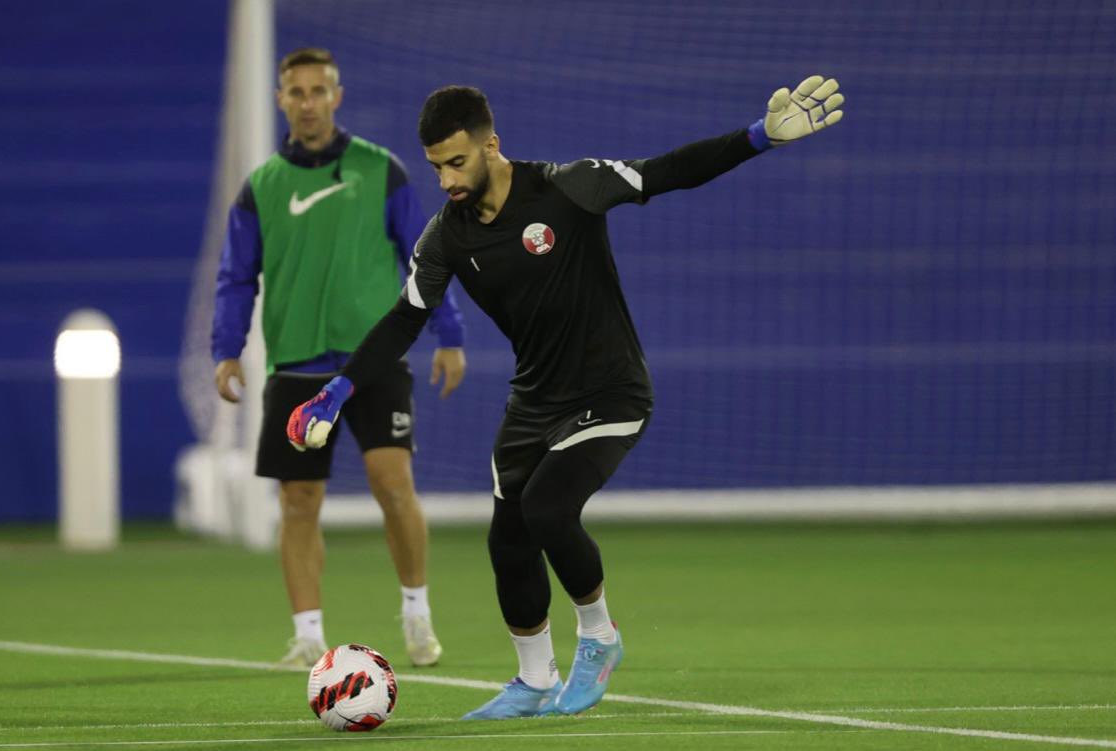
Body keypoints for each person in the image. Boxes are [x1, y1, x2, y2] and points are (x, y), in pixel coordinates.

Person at [288, 76, 843, 715]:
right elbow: (404, 319)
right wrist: (340, 387)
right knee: (509, 541)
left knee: (548, 507)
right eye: (437, 168)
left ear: (491, 144)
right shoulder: (446, 236)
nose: (446, 180)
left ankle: (600, 638)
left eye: (457, 162)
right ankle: (534, 680)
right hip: (534, 404)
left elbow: (669, 171)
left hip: (611, 393)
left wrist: (759, 138)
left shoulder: (569, 186)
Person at [212, 47, 466, 669]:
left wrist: (449, 333)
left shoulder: (380, 171)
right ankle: (306, 634)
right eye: (295, 92)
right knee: (298, 502)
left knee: (392, 483)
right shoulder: (261, 187)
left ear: (337, 96)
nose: (307, 102)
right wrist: (226, 350)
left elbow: (426, 256)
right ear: (281, 101)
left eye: (318, 90)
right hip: (296, 367)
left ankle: (416, 614)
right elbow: (236, 277)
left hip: (372, 362)